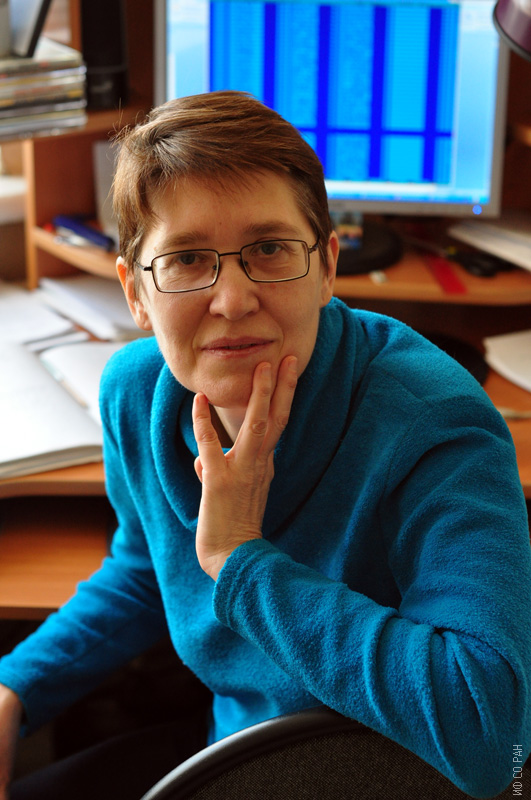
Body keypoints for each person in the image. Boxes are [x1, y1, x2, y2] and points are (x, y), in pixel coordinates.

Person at [1, 90, 530, 799]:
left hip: (395, 775)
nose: (232, 300)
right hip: (239, 751)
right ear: (135, 292)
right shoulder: (136, 392)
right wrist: (17, 685)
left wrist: (239, 559)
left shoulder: (434, 422)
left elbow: (490, 735)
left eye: (270, 250)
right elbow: (147, 572)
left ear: (327, 265)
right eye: (187, 259)